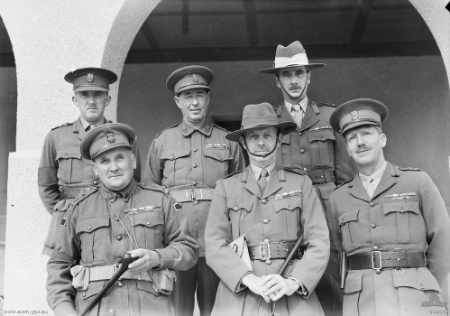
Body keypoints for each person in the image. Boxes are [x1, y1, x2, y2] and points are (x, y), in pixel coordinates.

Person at [46, 123, 198, 316]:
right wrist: (65, 310)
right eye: (105, 161)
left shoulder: (161, 199)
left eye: (120, 158)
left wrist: (156, 257)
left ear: (133, 161)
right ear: (95, 169)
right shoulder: (79, 208)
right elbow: (59, 265)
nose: (114, 167)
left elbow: (189, 249)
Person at [205, 102, 330, 316]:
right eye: (253, 137)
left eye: (267, 135)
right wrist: (248, 279)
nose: (261, 143)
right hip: (242, 293)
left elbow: (319, 240)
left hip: (290, 291)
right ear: (243, 142)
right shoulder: (226, 187)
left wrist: (293, 282)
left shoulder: (300, 183)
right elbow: (215, 244)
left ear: (279, 139)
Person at [259, 40, 356, 315]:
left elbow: (347, 177)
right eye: (286, 75)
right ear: (277, 81)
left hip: (327, 215)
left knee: (334, 286)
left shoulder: (330, 116)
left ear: (309, 76)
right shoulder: (271, 124)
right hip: (286, 216)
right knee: (293, 290)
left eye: (299, 73)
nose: (293, 81)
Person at [328, 98, 450, 315]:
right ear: (347, 149)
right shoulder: (338, 198)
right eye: (352, 138)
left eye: (366, 133)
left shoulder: (417, 182)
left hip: (415, 296)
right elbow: (335, 257)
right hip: (361, 301)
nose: (360, 142)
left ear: (382, 139)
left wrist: (427, 285)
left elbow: (443, 241)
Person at [144, 65, 245, 316]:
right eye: (188, 96)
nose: (195, 102)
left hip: (217, 244)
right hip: (177, 244)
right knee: (179, 310)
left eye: (200, 95)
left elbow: (242, 194)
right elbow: (150, 195)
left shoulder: (229, 141)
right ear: (178, 101)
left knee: (217, 310)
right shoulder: (162, 141)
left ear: (208, 98)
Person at [38, 67, 141, 256]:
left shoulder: (123, 137)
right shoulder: (56, 137)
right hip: (68, 218)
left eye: (98, 95)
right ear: (75, 100)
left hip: (112, 218)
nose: (92, 101)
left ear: (107, 99)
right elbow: (46, 186)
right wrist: (65, 213)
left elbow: (136, 181)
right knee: (63, 276)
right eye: (85, 95)